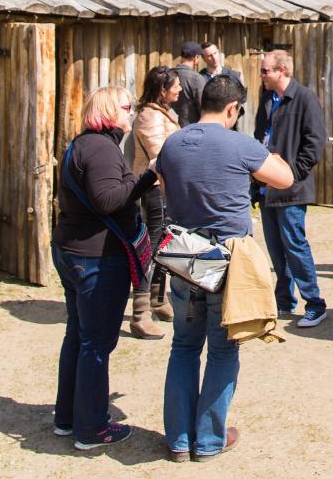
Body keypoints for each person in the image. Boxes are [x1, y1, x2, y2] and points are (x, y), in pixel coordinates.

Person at [157, 74, 294, 462]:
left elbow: (165, 188)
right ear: (233, 108)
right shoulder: (240, 144)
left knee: (183, 347)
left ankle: (180, 440)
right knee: (222, 350)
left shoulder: (172, 143)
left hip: (185, 255)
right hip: (226, 258)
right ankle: (210, 437)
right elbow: (284, 178)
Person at [51, 85, 158, 450]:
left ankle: (68, 418)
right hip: (94, 257)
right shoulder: (99, 148)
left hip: (73, 250)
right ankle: (92, 428)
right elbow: (107, 199)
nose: (131, 113)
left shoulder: (83, 144)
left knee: (79, 337)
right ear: (111, 111)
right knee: (95, 343)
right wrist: (147, 179)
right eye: (127, 107)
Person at [253, 49, 330, 327]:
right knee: (276, 249)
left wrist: (291, 175)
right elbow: (260, 140)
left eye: (265, 71)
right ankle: (284, 300)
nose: (261, 76)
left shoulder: (305, 98)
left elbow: (315, 143)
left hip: (291, 189)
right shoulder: (266, 100)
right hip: (266, 188)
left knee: (295, 245)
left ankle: (315, 303)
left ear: (281, 70)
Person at [130, 66, 182, 338]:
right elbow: (160, 153)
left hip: (165, 188)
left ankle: (158, 299)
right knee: (150, 248)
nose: (180, 89)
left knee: (163, 244)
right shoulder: (149, 117)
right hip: (154, 189)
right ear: (163, 89)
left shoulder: (162, 114)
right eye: (176, 85)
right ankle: (140, 314)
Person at [172, 41, 205, 126]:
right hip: (191, 130)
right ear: (196, 57)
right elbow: (204, 109)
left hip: (169, 128)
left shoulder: (168, 75)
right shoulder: (197, 79)